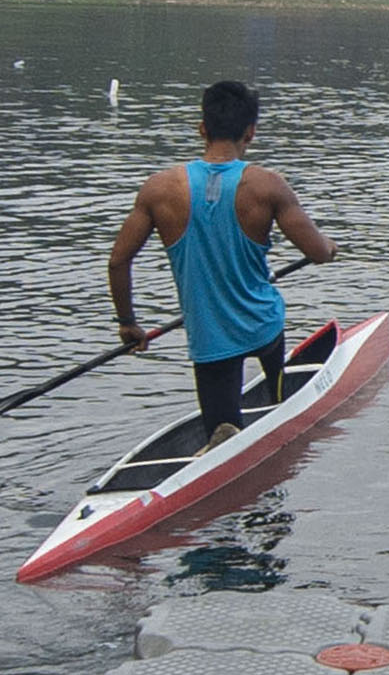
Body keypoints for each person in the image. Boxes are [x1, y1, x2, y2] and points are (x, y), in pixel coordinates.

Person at [106, 80, 336, 435]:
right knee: (272, 349)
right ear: (251, 132)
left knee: (223, 427)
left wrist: (128, 323)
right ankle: (278, 397)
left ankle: (226, 432)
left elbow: (118, 262)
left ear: (202, 129)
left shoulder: (159, 189)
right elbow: (318, 253)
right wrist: (329, 246)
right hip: (263, 326)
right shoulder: (268, 185)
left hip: (209, 337)